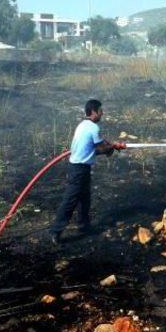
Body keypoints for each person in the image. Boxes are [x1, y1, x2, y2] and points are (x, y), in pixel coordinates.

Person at [49, 99, 125, 244]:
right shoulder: (93, 128)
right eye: (100, 111)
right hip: (78, 169)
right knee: (70, 201)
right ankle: (55, 231)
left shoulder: (83, 125)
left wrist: (112, 145)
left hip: (80, 167)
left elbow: (98, 145)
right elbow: (102, 148)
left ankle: (84, 226)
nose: (102, 113)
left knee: (85, 199)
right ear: (93, 112)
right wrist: (115, 147)